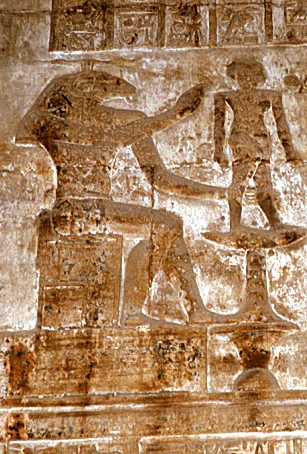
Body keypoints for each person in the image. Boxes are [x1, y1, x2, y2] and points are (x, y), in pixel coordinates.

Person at [17, 68, 227, 324]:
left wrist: (221, 194)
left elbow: (160, 179)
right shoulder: (51, 124)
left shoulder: (99, 126)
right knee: (167, 224)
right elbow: (109, 137)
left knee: (164, 230)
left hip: (94, 210)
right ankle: (135, 313)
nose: (101, 109)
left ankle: (194, 311)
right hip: (76, 211)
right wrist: (173, 115)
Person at [213, 58, 299, 231]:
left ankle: (274, 224)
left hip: (262, 140)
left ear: (257, 78)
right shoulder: (225, 96)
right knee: (239, 182)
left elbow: (281, 124)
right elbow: (219, 126)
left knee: (264, 185)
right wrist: (218, 151)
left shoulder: (271, 95)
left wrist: (289, 150)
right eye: (241, 76)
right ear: (234, 77)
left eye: (250, 76)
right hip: (240, 139)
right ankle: (235, 226)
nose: (246, 80)